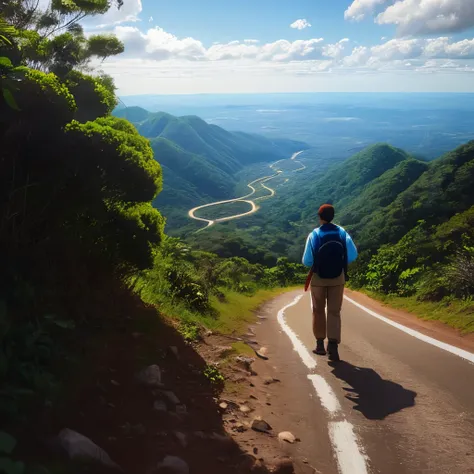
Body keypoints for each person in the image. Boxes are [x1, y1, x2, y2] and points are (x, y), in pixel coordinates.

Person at [302, 204, 358, 361]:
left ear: (319, 217)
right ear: (332, 216)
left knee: (318, 310)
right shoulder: (342, 233)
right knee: (334, 311)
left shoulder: (314, 235)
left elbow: (307, 261)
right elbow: (353, 255)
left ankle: (320, 345)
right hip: (337, 277)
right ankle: (333, 347)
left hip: (318, 278)